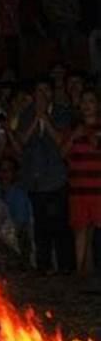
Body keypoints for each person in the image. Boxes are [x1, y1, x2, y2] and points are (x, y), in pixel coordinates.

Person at [17, 78, 74, 275]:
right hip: (35, 180)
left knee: (59, 224)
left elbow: (61, 140)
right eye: (38, 91)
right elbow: (22, 140)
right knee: (40, 225)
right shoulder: (25, 114)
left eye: (45, 90)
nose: (42, 95)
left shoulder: (62, 112)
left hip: (56, 178)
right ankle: (44, 266)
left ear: (51, 92)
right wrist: (36, 117)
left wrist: (46, 119)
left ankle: (65, 267)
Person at [62, 90, 101, 277]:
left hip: (98, 189)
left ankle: (92, 271)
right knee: (80, 230)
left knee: (96, 232)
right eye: (84, 101)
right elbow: (62, 153)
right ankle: (81, 274)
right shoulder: (74, 128)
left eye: (91, 101)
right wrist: (73, 136)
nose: (87, 104)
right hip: (78, 190)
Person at [0, 157, 32, 265]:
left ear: (15, 173)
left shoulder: (19, 194)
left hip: (15, 238)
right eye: (2, 170)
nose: (5, 174)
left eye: (8, 170)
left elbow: (20, 224)